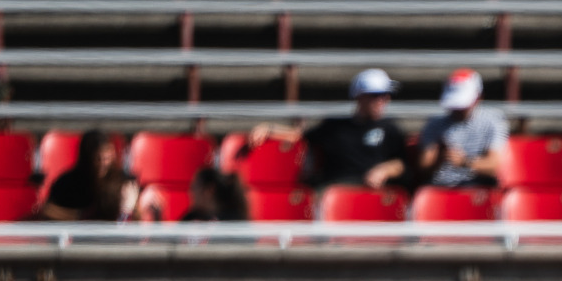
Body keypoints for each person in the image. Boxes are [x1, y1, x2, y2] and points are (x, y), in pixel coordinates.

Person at [249, 69, 409, 190]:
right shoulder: (335, 126)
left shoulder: (390, 128)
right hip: (337, 189)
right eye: (376, 95)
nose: (383, 100)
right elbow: (300, 136)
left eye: (386, 95)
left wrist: (385, 170)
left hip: (374, 191)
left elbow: (402, 163)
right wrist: (270, 129)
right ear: (359, 97)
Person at [418, 69, 508, 189]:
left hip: (477, 186)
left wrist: (464, 162)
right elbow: (423, 167)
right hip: (440, 186)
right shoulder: (434, 123)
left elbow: (494, 166)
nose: (458, 109)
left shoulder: (493, 122)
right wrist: (440, 158)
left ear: (478, 98)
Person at [34, 129, 131, 222]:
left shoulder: (122, 183)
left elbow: (129, 217)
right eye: (97, 158)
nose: (102, 163)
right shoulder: (67, 184)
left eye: (106, 158)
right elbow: (49, 211)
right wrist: (80, 217)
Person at [179, 166, 245, 222]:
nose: (190, 192)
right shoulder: (191, 218)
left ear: (210, 190)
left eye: (195, 187)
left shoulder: (232, 221)